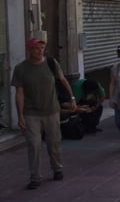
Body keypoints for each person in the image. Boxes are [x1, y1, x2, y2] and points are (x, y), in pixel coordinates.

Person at [11, 37, 74, 189]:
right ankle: (35, 177)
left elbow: (62, 80)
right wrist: (20, 116)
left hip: (52, 110)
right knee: (34, 144)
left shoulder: (51, 63)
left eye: (42, 48)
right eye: (36, 48)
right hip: (31, 113)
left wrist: (72, 98)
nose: (40, 51)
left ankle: (57, 168)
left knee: (54, 143)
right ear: (29, 50)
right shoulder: (21, 69)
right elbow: (19, 93)